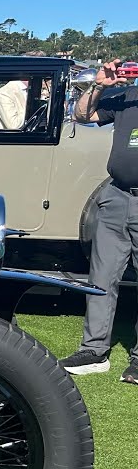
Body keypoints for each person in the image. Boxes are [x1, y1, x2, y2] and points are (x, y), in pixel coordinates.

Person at [60, 59, 138, 384]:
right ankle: (94, 351)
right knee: (101, 277)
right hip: (116, 196)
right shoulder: (127, 96)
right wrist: (99, 86)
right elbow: (81, 114)